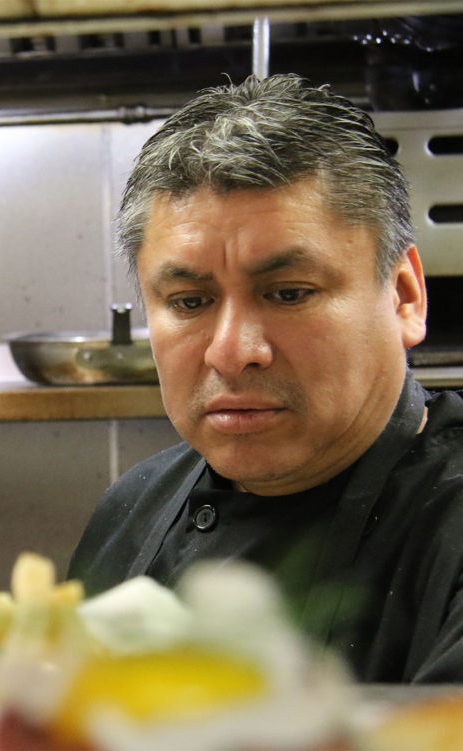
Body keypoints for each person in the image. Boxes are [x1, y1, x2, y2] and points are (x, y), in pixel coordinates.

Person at [68, 73, 463, 683]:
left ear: (405, 297)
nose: (232, 352)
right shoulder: (133, 505)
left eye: (288, 293)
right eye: (189, 302)